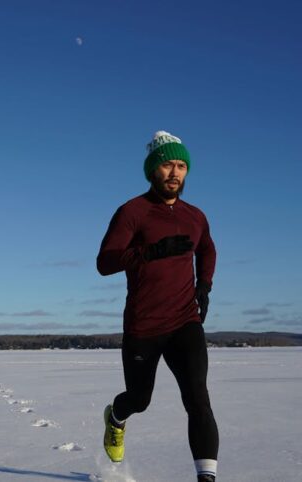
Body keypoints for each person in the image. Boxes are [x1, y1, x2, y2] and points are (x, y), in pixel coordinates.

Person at [96, 131, 219, 482]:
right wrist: (150, 252)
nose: (175, 173)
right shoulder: (132, 212)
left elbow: (207, 248)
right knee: (139, 398)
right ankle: (116, 418)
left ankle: (206, 478)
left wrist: (204, 285)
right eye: (167, 165)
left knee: (198, 398)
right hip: (144, 325)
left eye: (181, 166)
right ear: (153, 170)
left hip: (185, 321)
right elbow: (105, 261)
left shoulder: (195, 216)